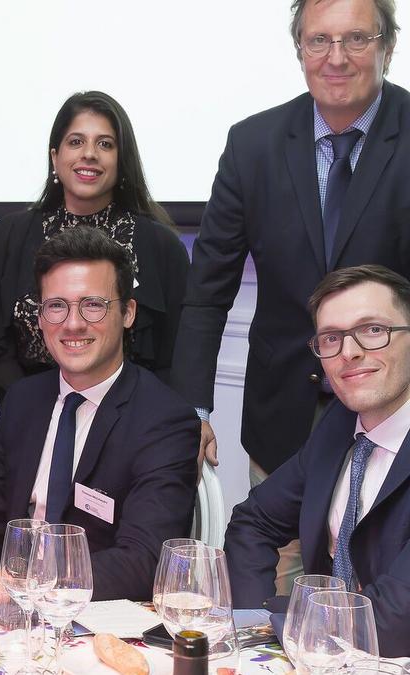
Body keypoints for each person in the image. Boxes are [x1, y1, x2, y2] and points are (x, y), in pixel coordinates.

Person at [173, 0, 410, 486]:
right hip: (282, 423)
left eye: (356, 39)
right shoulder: (252, 145)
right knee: (270, 538)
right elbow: (207, 292)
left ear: (387, 47)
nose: (336, 57)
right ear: (300, 50)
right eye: (319, 40)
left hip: (398, 415)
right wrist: (193, 410)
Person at [0, 227, 200, 611]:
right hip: (9, 623)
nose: (73, 324)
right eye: (57, 306)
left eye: (93, 305)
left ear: (128, 313)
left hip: (99, 621)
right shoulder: (24, 400)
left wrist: (1, 586)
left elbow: (143, 562)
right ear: (41, 318)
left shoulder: (164, 420)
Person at [226, 265, 410, 658]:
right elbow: (253, 522)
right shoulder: (339, 425)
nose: (349, 352)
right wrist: (254, 621)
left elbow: (394, 621)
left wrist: (281, 619)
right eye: (331, 338)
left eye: (373, 330)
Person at [0, 91, 189, 400]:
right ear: (55, 157)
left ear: (122, 159)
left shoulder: (161, 246)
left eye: (105, 144)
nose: (89, 154)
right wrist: (36, 407)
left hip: (132, 418)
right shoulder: (10, 235)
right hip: (31, 414)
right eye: (76, 142)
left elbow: (177, 357)